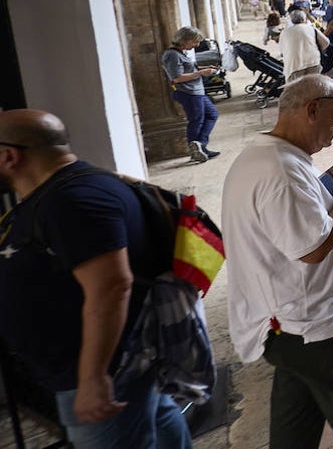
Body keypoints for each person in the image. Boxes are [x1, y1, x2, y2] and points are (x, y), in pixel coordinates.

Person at [0, 110, 194, 449]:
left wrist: (93, 377)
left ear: (9, 156)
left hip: (100, 371)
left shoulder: (70, 201)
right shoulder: (77, 187)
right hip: (120, 363)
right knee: (159, 424)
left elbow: (110, 286)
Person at [222, 75, 333, 449]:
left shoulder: (272, 155)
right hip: (316, 325)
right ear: (311, 110)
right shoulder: (280, 172)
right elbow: (313, 247)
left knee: (297, 416)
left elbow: (307, 203)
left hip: (291, 326)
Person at [161, 26, 220, 163]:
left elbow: (187, 70)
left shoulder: (180, 53)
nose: (197, 45)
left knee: (212, 114)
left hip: (196, 91)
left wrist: (202, 70)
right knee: (196, 121)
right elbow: (176, 77)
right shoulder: (172, 55)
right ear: (185, 40)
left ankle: (200, 145)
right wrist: (200, 73)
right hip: (188, 92)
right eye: (194, 42)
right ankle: (197, 149)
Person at [279, 8, 330, 82]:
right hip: (313, 62)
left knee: (297, 88)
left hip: (294, 65)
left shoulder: (284, 32)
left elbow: (282, 50)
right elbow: (326, 42)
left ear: (292, 21)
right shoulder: (311, 28)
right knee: (313, 85)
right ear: (304, 19)